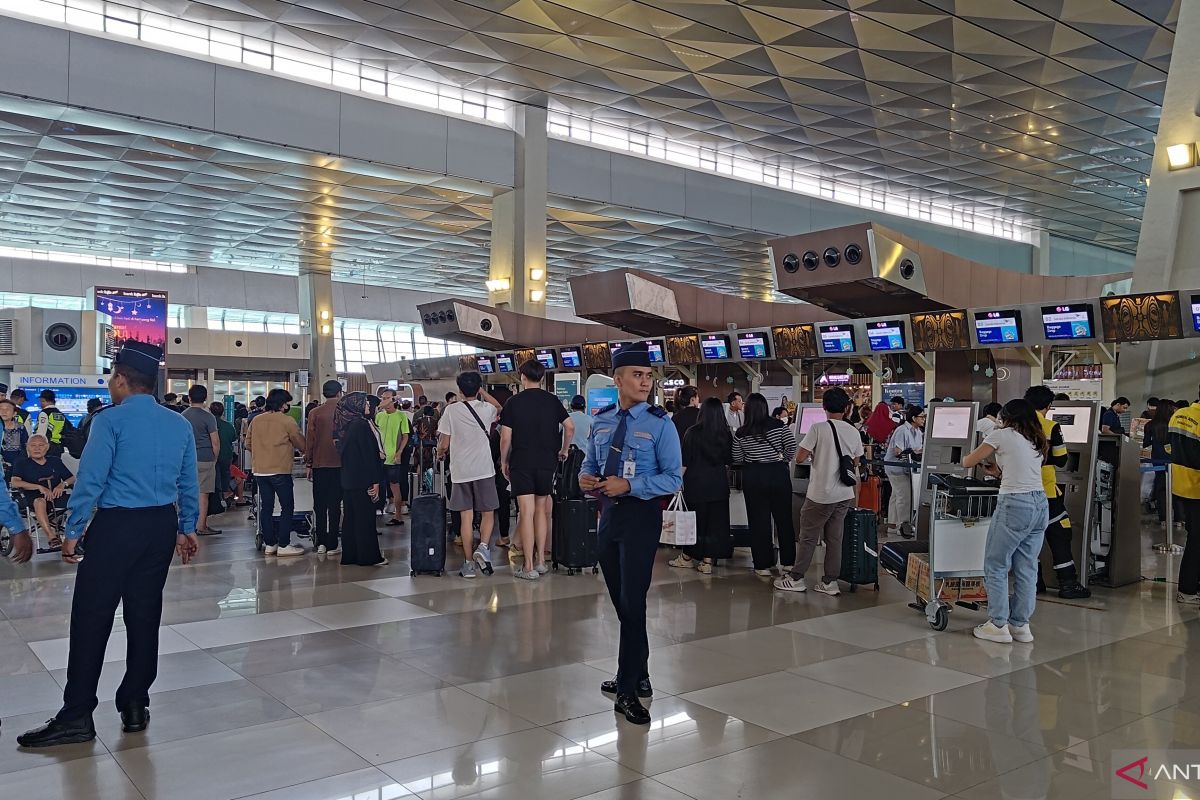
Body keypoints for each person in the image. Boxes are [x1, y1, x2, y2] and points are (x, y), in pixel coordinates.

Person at [17, 341, 200, 748]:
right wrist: (186, 527)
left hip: (117, 527)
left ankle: (77, 714)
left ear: (120, 380)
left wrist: (72, 531)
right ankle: (135, 703)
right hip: (159, 526)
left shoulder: (110, 421)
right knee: (144, 614)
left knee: (92, 617)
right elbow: (188, 481)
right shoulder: (178, 423)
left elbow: (92, 480)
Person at [579, 342, 682, 725]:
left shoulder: (660, 424)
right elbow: (588, 465)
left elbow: (673, 477)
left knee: (633, 601)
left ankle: (626, 690)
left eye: (648, 376)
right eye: (637, 375)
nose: (645, 382)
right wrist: (585, 479)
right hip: (609, 519)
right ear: (618, 380)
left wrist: (631, 486)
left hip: (640, 519)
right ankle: (639, 674)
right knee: (622, 604)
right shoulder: (603, 420)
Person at [963, 399, 1050, 643]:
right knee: (1027, 567)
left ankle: (998, 624)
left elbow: (968, 461)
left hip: (1014, 504)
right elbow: (1022, 467)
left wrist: (970, 460)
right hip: (1039, 504)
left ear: (1006, 417)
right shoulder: (1036, 438)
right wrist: (998, 473)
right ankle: (1020, 625)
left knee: (996, 564)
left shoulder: (1001, 435)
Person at [775, 387, 863, 595]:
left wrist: (817, 457)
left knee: (808, 536)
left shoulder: (818, 428)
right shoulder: (853, 431)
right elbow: (856, 461)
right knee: (834, 538)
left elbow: (799, 457)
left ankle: (796, 577)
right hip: (844, 494)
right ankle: (829, 582)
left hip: (821, 494)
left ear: (824, 407)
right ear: (847, 408)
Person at [499, 359, 573, 580]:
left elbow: (505, 437)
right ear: (542, 378)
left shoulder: (513, 402)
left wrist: (504, 461)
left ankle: (528, 566)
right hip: (547, 461)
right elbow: (569, 427)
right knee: (541, 510)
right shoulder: (552, 401)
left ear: (522, 377)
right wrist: (564, 449)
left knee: (526, 512)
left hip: (522, 461)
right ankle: (541, 560)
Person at [1024, 386, 1089, 599]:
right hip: (1046, 490)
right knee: (1059, 534)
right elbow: (1061, 460)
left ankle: (1034, 582)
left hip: (1020, 490)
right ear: (1049, 405)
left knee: (1029, 539)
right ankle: (1068, 584)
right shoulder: (1051, 426)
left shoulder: (1014, 426)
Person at [438, 372, 502, 578]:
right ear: (478, 388)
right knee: (487, 512)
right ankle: (483, 547)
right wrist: (482, 391)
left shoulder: (451, 410)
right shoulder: (486, 409)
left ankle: (467, 565)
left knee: (465, 516)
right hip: (484, 469)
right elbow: (500, 407)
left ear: (459, 390)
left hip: (460, 471)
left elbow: (444, 443)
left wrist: (440, 452)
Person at [733, 392, 798, 576]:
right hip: (778, 473)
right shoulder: (778, 425)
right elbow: (792, 446)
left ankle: (762, 564)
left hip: (753, 476)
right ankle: (788, 562)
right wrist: (783, 460)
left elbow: (737, 457)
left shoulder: (741, 432)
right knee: (784, 519)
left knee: (758, 521)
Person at [669, 397, 731, 574]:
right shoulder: (725, 434)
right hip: (718, 484)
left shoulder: (692, 432)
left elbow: (685, 462)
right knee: (715, 523)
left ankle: (688, 557)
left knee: (694, 522)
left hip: (696, 484)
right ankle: (707, 561)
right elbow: (729, 460)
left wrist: (676, 482)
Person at [246, 388, 306, 557]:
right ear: (282, 404)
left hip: (260, 471)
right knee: (287, 507)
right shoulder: (287, 421)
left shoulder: (256, 420)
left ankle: (270, 544)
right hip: (280, 470)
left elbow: (247, 444)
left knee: (266, 507)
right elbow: (300, 442)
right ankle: (284, 544)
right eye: (287, 402)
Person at [334, 392, 388, 567]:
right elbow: (368, 456)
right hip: (363, 478)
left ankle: (350, 554)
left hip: (349, 478)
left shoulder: (346, 425)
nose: (367, 406)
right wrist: (375, 480)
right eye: (364, 403)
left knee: (350, 519)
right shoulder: (362, 425)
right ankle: (369, 556)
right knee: (365, 518)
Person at [10, 434, 75, 549]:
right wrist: (39, 487)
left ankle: (78, 534)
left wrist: (62, 484)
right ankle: (52, 537)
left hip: (55, 495)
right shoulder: (21, 463)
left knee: (78, 501)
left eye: (41, 445)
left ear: (47, 447)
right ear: (27, 447)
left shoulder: (55, 461)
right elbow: (15, 482)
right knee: (39, 501)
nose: (37, 448)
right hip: (32, 497)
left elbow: (71, 478)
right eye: (33, 445)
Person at [304, 380, 344, 555]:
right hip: (340, 464)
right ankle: (333, 543)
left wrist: (309, 463)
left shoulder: (315, 412)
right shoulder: (345, 412)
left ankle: (321, 542)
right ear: (339, 393)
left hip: (320, 464)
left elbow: (310, 440)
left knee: (319, 504)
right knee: (335, 504)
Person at [181, 385, 222, 536]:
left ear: (189, 398)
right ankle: (201, 526)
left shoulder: (182, 415)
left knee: (186, 492)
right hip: (205, 459)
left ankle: (186, 526)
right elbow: (215, 442)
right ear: (205, 398)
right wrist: (214, 458)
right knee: (203, 494)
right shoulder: (208, 417)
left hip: (186, 459)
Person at [885, 405, 925, 538]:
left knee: (896, 495)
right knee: (904, 496)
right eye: (922, 416)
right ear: (913, 418)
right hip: (895, 467)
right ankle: (903, 526)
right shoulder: (902, 430)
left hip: (906, 468)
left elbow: (918, 450)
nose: (924, 419)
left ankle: (892, 524)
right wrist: (913, 452)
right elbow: (898, 451)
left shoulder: (918, 431)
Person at [376, 389, 411, 526]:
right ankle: (376, 510)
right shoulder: (379, 416)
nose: (384, 401)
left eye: (387, 398)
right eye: (383, 398)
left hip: (393, 457)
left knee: (395, 485)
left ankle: (398, 515)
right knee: (376, 484)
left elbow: (405, 436)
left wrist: (399, 452)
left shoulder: (401, 416)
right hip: (379, 456)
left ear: (394, 399)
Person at [1145, 402, 1175, 525]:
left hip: (1157, 459)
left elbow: (1146, 443)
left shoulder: (1150, 424)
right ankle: (1179, 518)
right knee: (1175, 488)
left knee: (1161, 487)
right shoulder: (1174, 423)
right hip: (1174, 459)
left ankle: (1163, 518)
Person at [209, 402, 237, 515]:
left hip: (211, 456)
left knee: (214, 478)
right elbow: (233, 438)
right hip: (226, 455)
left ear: (210, 411)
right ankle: (225, 495)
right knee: (225, 476)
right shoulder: (228, 426)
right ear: (223, 412)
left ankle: (216, 500)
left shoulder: (208, 424)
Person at [31, 389, 74, 458]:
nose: (40, 403)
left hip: (46, 447)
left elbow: (41, 432)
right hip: (58, 447)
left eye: (41, 401)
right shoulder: (60, 414)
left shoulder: (44, 413)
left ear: (43, 400)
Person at [1, 398, 29, 474]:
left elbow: (26, 446)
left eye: (7, 409)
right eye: (1, 409)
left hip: (18, 466)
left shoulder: (21, 428)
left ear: (14, 413)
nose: (4, 412)